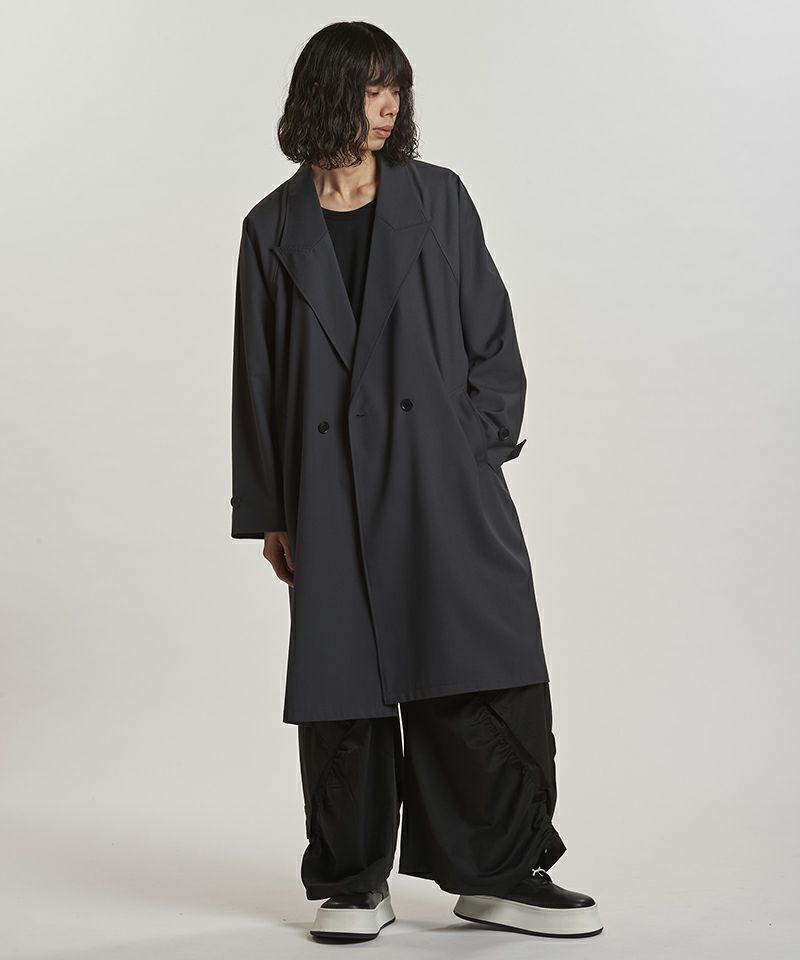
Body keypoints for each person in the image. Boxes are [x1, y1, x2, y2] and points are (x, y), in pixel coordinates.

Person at [230, 21, 603, 942]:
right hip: (329, 494)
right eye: (370, 88)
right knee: (344, 687)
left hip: (442, 485)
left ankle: (500, 873)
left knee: (475, 663)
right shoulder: (271, 227)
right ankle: (354, 881)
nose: (389, 105)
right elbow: (258, 378)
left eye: (395, 86)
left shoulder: (439, 199)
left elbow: (492, 336)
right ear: (325, 95)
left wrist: (473, 449)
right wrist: (273, 510)